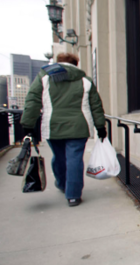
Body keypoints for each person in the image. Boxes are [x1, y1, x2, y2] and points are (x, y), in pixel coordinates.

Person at [21, 53, 107, 206]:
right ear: (76, 64)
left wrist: (27, 124)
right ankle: (73, 195)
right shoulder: (85, 81)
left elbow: (33, 100)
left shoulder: (44, 77)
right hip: (79, 126)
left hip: (53, 126)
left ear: (58, 62)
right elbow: (96, 106)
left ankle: (62, 184)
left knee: (59, 157)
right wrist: (100, 126)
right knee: (74, 159)